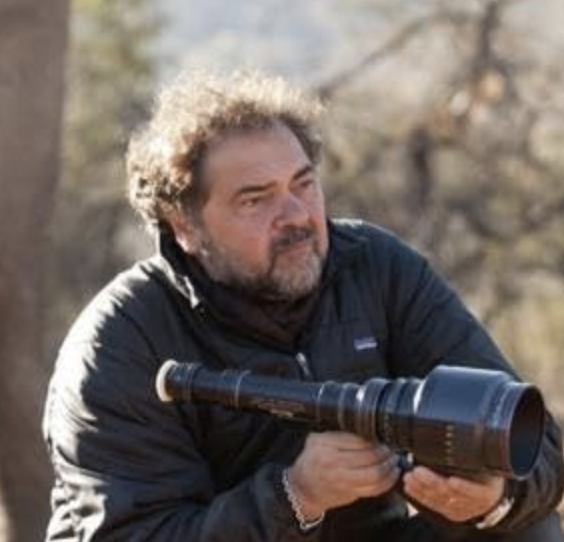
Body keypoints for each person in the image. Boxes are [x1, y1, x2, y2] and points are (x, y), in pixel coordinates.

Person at [43, 71, 564, 542]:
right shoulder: (120, 342)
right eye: (255, 199)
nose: (295, 215)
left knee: (523, 527)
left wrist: (494, 499)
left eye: (303, 184)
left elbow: (534, 439)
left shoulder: (376, 267)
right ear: (185, 227)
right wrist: (294, 496)